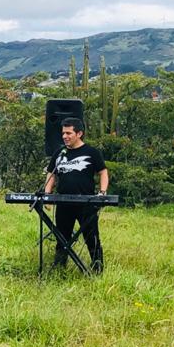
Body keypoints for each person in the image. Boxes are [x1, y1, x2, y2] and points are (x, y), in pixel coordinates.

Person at [44, 117, 109, 273]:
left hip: (87, 203)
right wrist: (47, 194)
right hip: (63, 202)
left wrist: (102, 192)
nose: (65, 136)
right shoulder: (60, 152)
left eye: (69, 133)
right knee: (62, 238)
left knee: (92, 237)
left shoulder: (91, 152)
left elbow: (103, 172)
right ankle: (60, 269)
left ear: (79, 133)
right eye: (63, 133)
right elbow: (51, 174)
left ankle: (97, 268)